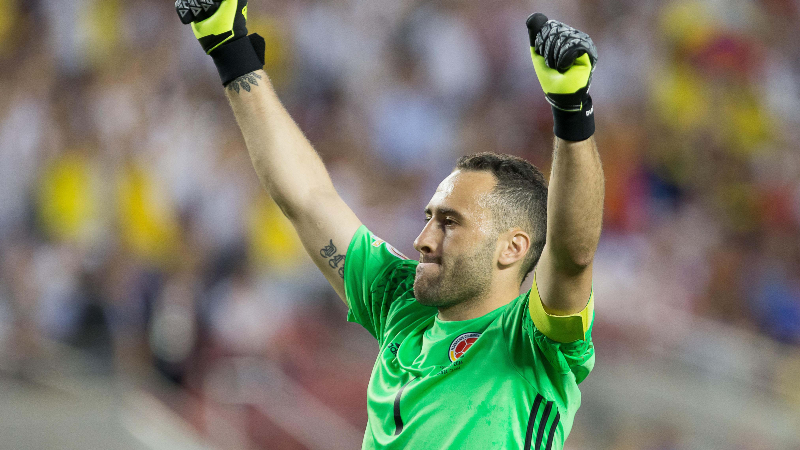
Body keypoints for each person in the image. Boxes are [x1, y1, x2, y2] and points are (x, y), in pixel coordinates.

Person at [176, 1, 603, 449]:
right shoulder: (401, 303)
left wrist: (572, 114)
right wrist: (230, 47)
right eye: (429, 219)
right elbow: (307, 199)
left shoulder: (535, 341)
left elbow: (573, 255)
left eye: (450, 224)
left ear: (512, 247)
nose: (423, 240)